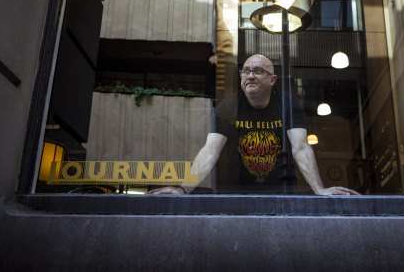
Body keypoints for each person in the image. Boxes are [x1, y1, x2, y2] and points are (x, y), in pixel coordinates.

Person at [148, 54, 359, 196]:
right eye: (246, 71)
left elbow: (301, 147)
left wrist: (320, 191)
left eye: (258, 71)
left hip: (281, 191)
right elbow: (210, 151)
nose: (250, 75)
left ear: (272, 79)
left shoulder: (288, 105)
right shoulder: (228, 106)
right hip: (237, 191)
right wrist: (184, 190)